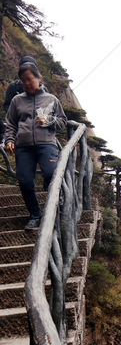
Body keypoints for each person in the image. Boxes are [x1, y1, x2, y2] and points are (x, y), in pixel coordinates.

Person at [5, 62, 67, 230]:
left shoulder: (51, 99)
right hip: (23, 147)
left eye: (30, 79)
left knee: (50, 174)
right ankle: (35, 215)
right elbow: (10, 123)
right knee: (25, 182)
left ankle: (56, 199)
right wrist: (9, 140)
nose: (26, 83)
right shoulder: (17, 100)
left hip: (46, 144)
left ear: (39, 78)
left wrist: (49, 121)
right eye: (23, 80)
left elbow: (63, 121)